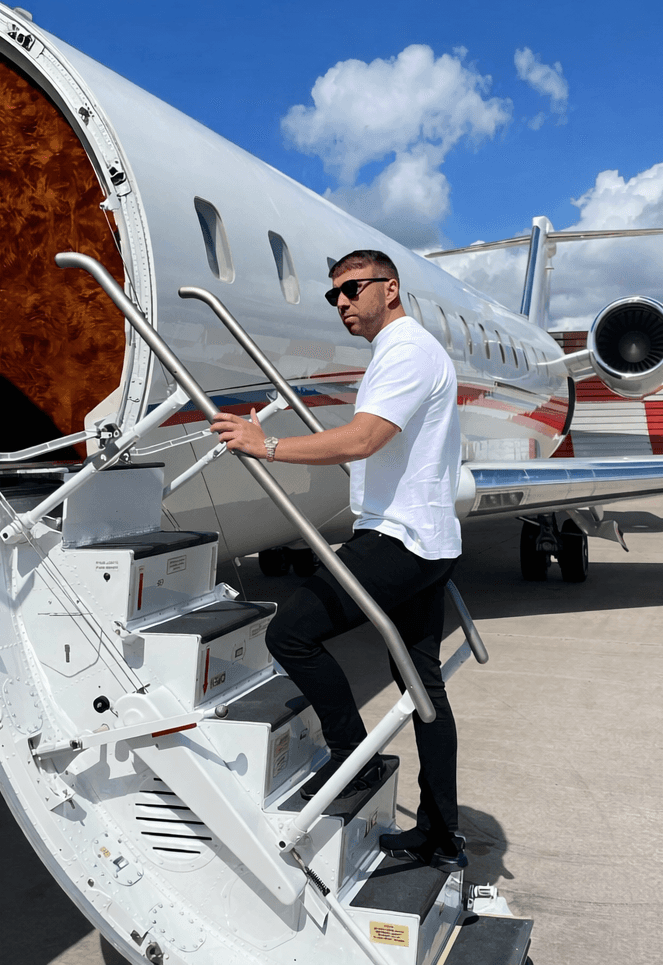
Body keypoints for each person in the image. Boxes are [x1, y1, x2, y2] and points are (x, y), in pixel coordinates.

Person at [210, 249, 466, 872]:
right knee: (422, 687)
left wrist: (266, 445)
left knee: (291, 635)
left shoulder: (406, 351)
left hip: (399, 540)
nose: (342, 303)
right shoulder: (400, 351)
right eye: (335, 295)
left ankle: (354, 756)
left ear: (391, 289)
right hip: (426, 539)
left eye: (353, 289)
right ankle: (441, 835)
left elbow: (365, 439)